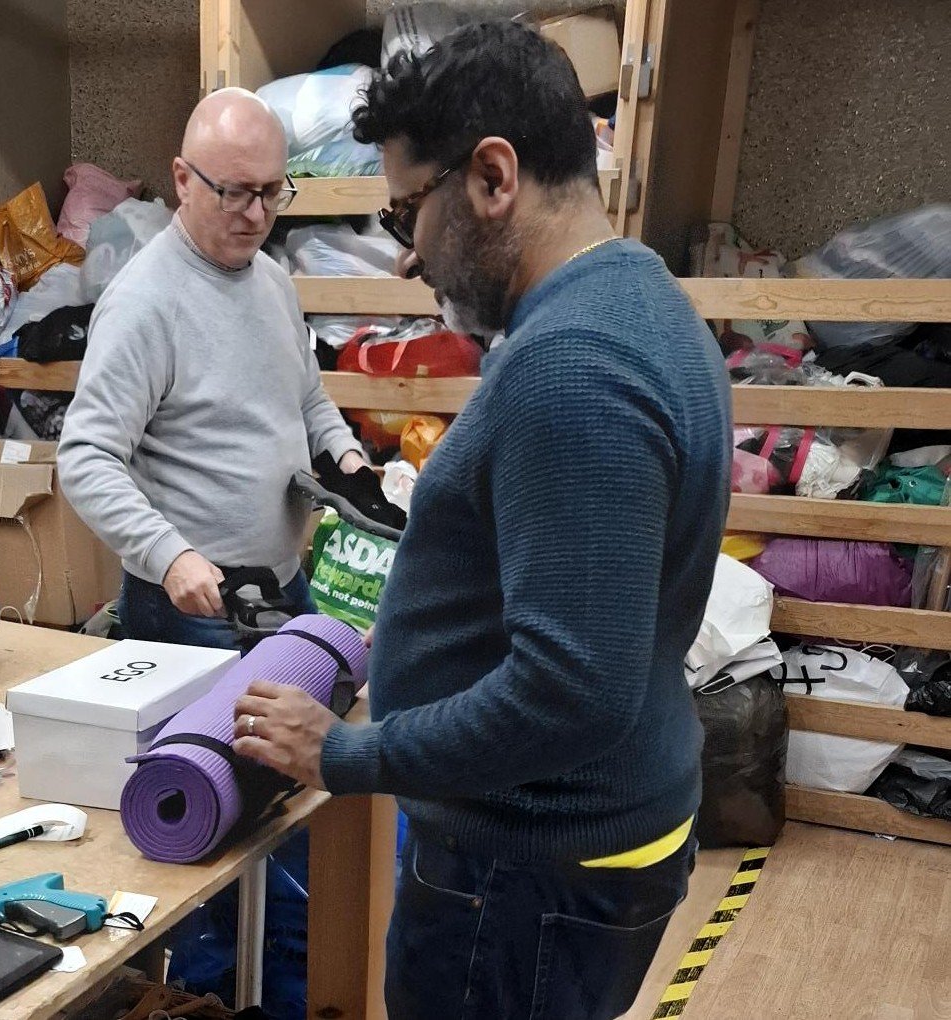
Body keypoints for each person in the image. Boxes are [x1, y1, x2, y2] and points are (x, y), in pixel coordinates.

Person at [228, 22, 732, 1020]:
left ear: (493, 176)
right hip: (580, 840)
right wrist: (429, 630)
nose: (408, 255)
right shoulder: (635, 300)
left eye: (408, 209)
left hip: (531, 869)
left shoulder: (574, 367)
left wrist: (346, 756)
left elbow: (569, 691)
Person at [58, 88, 365, 651]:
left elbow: (307, 399)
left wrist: (350, 465)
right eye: (234, 193)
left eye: (272, 193)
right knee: (210, 741)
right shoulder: (144, 302)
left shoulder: (271, 279)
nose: (256, 216)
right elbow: (85, 456)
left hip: (284, 582)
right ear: (182, 180)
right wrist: (168, 556)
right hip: (194, 605)